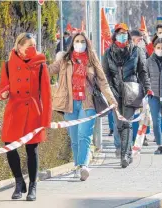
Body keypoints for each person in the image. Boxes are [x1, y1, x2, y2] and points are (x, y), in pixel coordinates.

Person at [48, 32, 117, 180]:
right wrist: (34, 66)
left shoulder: (92, 59)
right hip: (69, 104)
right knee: (74, 138)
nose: (79, 43)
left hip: (88, 103)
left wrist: (112, 100)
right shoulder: (64, 60)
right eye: (77, 41)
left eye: (82, 41)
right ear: (72, 43)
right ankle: (77, 166)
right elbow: (49, 70)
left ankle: (83, 166)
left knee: (84, 135)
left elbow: (103, 82)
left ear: (87, 43)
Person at [0, 33, 52, 201]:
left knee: (31, 149)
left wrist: (45, 120)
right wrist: (4, 93)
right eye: (28, 46)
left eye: (33, 46)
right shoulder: (7, 65)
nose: (31, 49)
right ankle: (19, 182)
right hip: (14, 110)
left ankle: (33, 186)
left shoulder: (41, 66)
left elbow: (47, 94)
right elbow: (2, 88)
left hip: (33, 110)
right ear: (18, 46)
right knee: (10, 147)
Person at [103, 23, 151, 168]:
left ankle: (124, 156)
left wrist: (147, 88)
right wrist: (109, 91)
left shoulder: (136, 51)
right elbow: (106, 74)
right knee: (119, 125)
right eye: (119, 33)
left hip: (131, 90)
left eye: (124, 33)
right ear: (115, 35)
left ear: (128, 35)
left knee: (127, 123)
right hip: (115, 92)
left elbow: (143, 71)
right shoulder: (108, 53)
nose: (122, 35)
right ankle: (128, 152)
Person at [131, 30, 151, 146]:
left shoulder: (144, 51)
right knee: (135, 114)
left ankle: (144, 136)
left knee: (145, 114)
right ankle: (135, 137)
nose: (141, 41)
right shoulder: (129, 52)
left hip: (144, 86)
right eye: (139, 39)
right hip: (133, 87)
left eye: (142, 39)